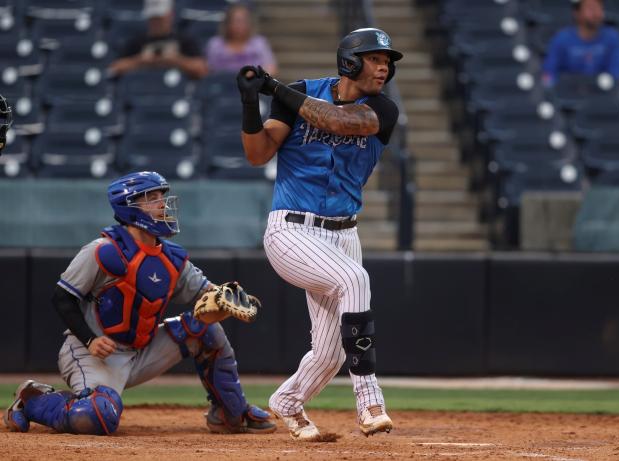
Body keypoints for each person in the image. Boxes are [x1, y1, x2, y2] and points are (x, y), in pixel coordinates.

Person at [3, 171, 276, 436]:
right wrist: (89, 341)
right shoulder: (102, 250)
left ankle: (231, 412)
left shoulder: (172, 259)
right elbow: (62, 297)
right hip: (93, 352)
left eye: (161, 196)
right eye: (152, 197)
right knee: (95, 416)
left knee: (204, 330)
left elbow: (208, 296)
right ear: (130, 207)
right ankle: (33, 398)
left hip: (140, 351)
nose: (162, 204)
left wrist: (223, 301)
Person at [236, 28, 402, 440]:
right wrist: (249, 102)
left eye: (387, 60)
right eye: (374, 58)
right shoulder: (298, 93)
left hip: (343, 234)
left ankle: (288, 401)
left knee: (329, 353)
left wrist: (273, 87)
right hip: (290, 230)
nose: (384, 67)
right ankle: (369, 399)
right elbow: (258, 155)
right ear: (350, 62)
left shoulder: (383, 108)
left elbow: (340, 121)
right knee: (355, 279)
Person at [109, 0, 208, 79]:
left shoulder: (184, 40)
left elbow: (202, 69)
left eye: (159, 17)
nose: (156, 22)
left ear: (170, 15)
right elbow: (114, 69)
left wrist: (176, 60)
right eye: (153, 17)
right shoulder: (136, 42)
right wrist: (140, 61)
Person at [541, 0, 619, 87]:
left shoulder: (612, 37)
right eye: (591, 8)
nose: (596, 13)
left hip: (603, 93)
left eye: (599, 8)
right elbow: (549, 73)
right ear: (576, 13)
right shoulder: (561, 39)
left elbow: (617, 72)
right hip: (568, 94)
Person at [206, 3, 277, 76]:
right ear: (227, 23)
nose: (238, 26)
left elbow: (271, 68)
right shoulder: (215, 44)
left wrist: (256, 75)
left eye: (242, 21)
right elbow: (208, 69)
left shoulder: (259, 43)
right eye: (235, 21)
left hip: (252, 84)